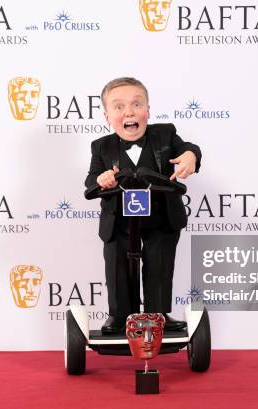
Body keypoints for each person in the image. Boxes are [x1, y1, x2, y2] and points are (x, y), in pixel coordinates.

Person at [85, 77, 202, 334]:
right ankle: (119, 315)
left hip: (160, 217)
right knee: (116, 264)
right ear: (107, 116)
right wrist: (102, 179)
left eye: (137, 104)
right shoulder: (101, 147)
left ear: (147, 111)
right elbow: (91, 180)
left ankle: (157, 313)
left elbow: (187, 148)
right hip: (119, 221)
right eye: (119, 107)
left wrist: (190, 156)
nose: (129, 111)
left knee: (159, 263)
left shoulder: (165, 134)